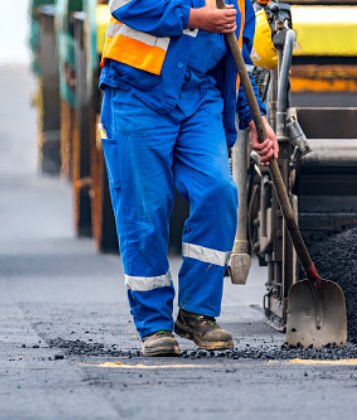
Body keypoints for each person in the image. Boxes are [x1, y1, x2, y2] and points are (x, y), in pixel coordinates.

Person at [98, 0, 278, 356]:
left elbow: (237, 58)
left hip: (199, 99)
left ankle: (198, 313)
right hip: (137, 92)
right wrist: (192, 18)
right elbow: (125, 6)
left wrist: (256, 119)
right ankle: (154, 325)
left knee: (218, 191)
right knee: (145, 211)